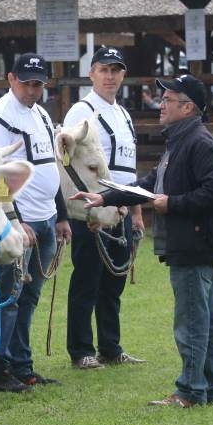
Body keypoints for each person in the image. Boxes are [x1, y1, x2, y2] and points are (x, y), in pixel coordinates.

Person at [71, 74, 213, 408]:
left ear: (187, 107)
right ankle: (211, 389)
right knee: (208, 320)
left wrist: (171, 203)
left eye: (168, 99)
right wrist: (106, 198)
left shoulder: (198, 143)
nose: (161, 104)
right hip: (196, 242)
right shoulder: (179, 141)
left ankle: (189, 392)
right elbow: (147, 184)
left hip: (195, 243)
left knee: (192, 321)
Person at [0, 53, 71, 391]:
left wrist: (60, 214)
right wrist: (13, 220)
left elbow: (50, 167)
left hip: (45, 216)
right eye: (28, 82)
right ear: (11, 78)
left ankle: (22, 363)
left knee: (29, 297)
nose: (33, 89)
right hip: (21, 221)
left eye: (39, 84)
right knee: (8, 296)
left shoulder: (42, 114)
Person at [63, 47, 146, 370]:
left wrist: (137, 209)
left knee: (115, 278)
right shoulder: (81, 113)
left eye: (116, 70)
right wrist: (89, 211)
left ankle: (110, 346)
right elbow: (70, 167)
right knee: (87, 277)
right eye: (103, 70)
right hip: (94, 208)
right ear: (91, 74)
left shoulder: (123, 114)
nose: (110, 76)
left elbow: (129, 167)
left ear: (123, 75)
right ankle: (81, 348)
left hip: (122, 206)